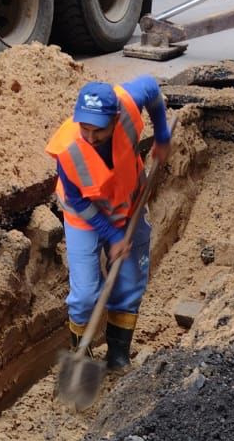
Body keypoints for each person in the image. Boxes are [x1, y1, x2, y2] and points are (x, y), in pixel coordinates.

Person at [46, 77, 171, 370]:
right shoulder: (68, 150)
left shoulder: (125, 103)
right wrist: (112, 235)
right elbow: (77, 201)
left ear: (115, 119)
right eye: (84, 128)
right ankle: (81, 354)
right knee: (85, 293)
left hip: (130, 205)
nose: (90, 137)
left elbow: (151, 88)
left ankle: (118, 355)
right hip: (85, 217)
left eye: (98, 130)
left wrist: (163, 136)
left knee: (129, 281)